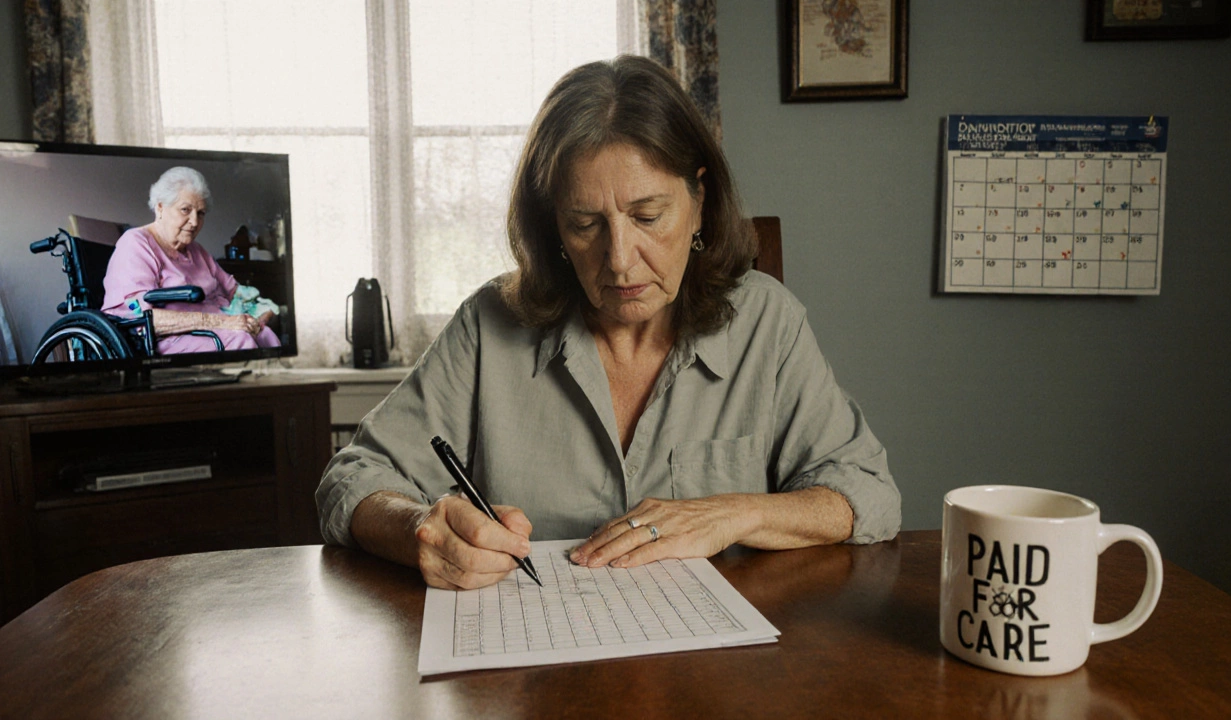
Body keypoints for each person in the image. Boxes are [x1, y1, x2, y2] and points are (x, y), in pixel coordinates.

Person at [317, 55, 899, 591]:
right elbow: (353, 478)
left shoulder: (766, 320)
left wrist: (735, 512)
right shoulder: (488, 326)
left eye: (648, 216)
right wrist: (421, 527)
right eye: (585, 224)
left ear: (698, 200)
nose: (619, 259)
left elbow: (868, 494)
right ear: (553, 229)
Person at [101, 166, 280, 353]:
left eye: (200, 213)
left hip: (212, 330)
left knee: (264, 334)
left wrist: (262, 313)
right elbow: (136, 315)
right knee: (240, 340)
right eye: (185, 210)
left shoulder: (196, 250)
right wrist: (221, 322)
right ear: (160, 207)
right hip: (168, 339)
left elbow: (235, 292)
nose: (194, 222)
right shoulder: (136, 244)